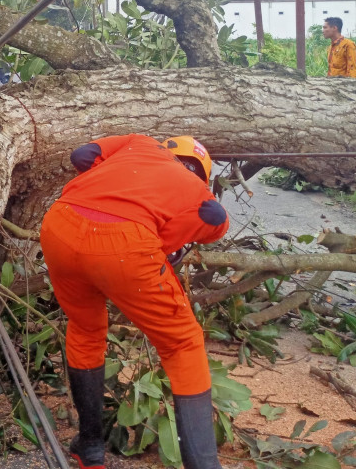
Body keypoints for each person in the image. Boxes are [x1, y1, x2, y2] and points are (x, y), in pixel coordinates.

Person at [40, 135, 230, 469]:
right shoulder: (199, 193)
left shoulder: (139, 143)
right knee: (183, 346)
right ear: (202, 173)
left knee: (85, 329)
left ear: (169, 148)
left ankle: (90, 448)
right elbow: (215, 221)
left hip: (61, 224)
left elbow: (82, 155)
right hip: (126, 249)